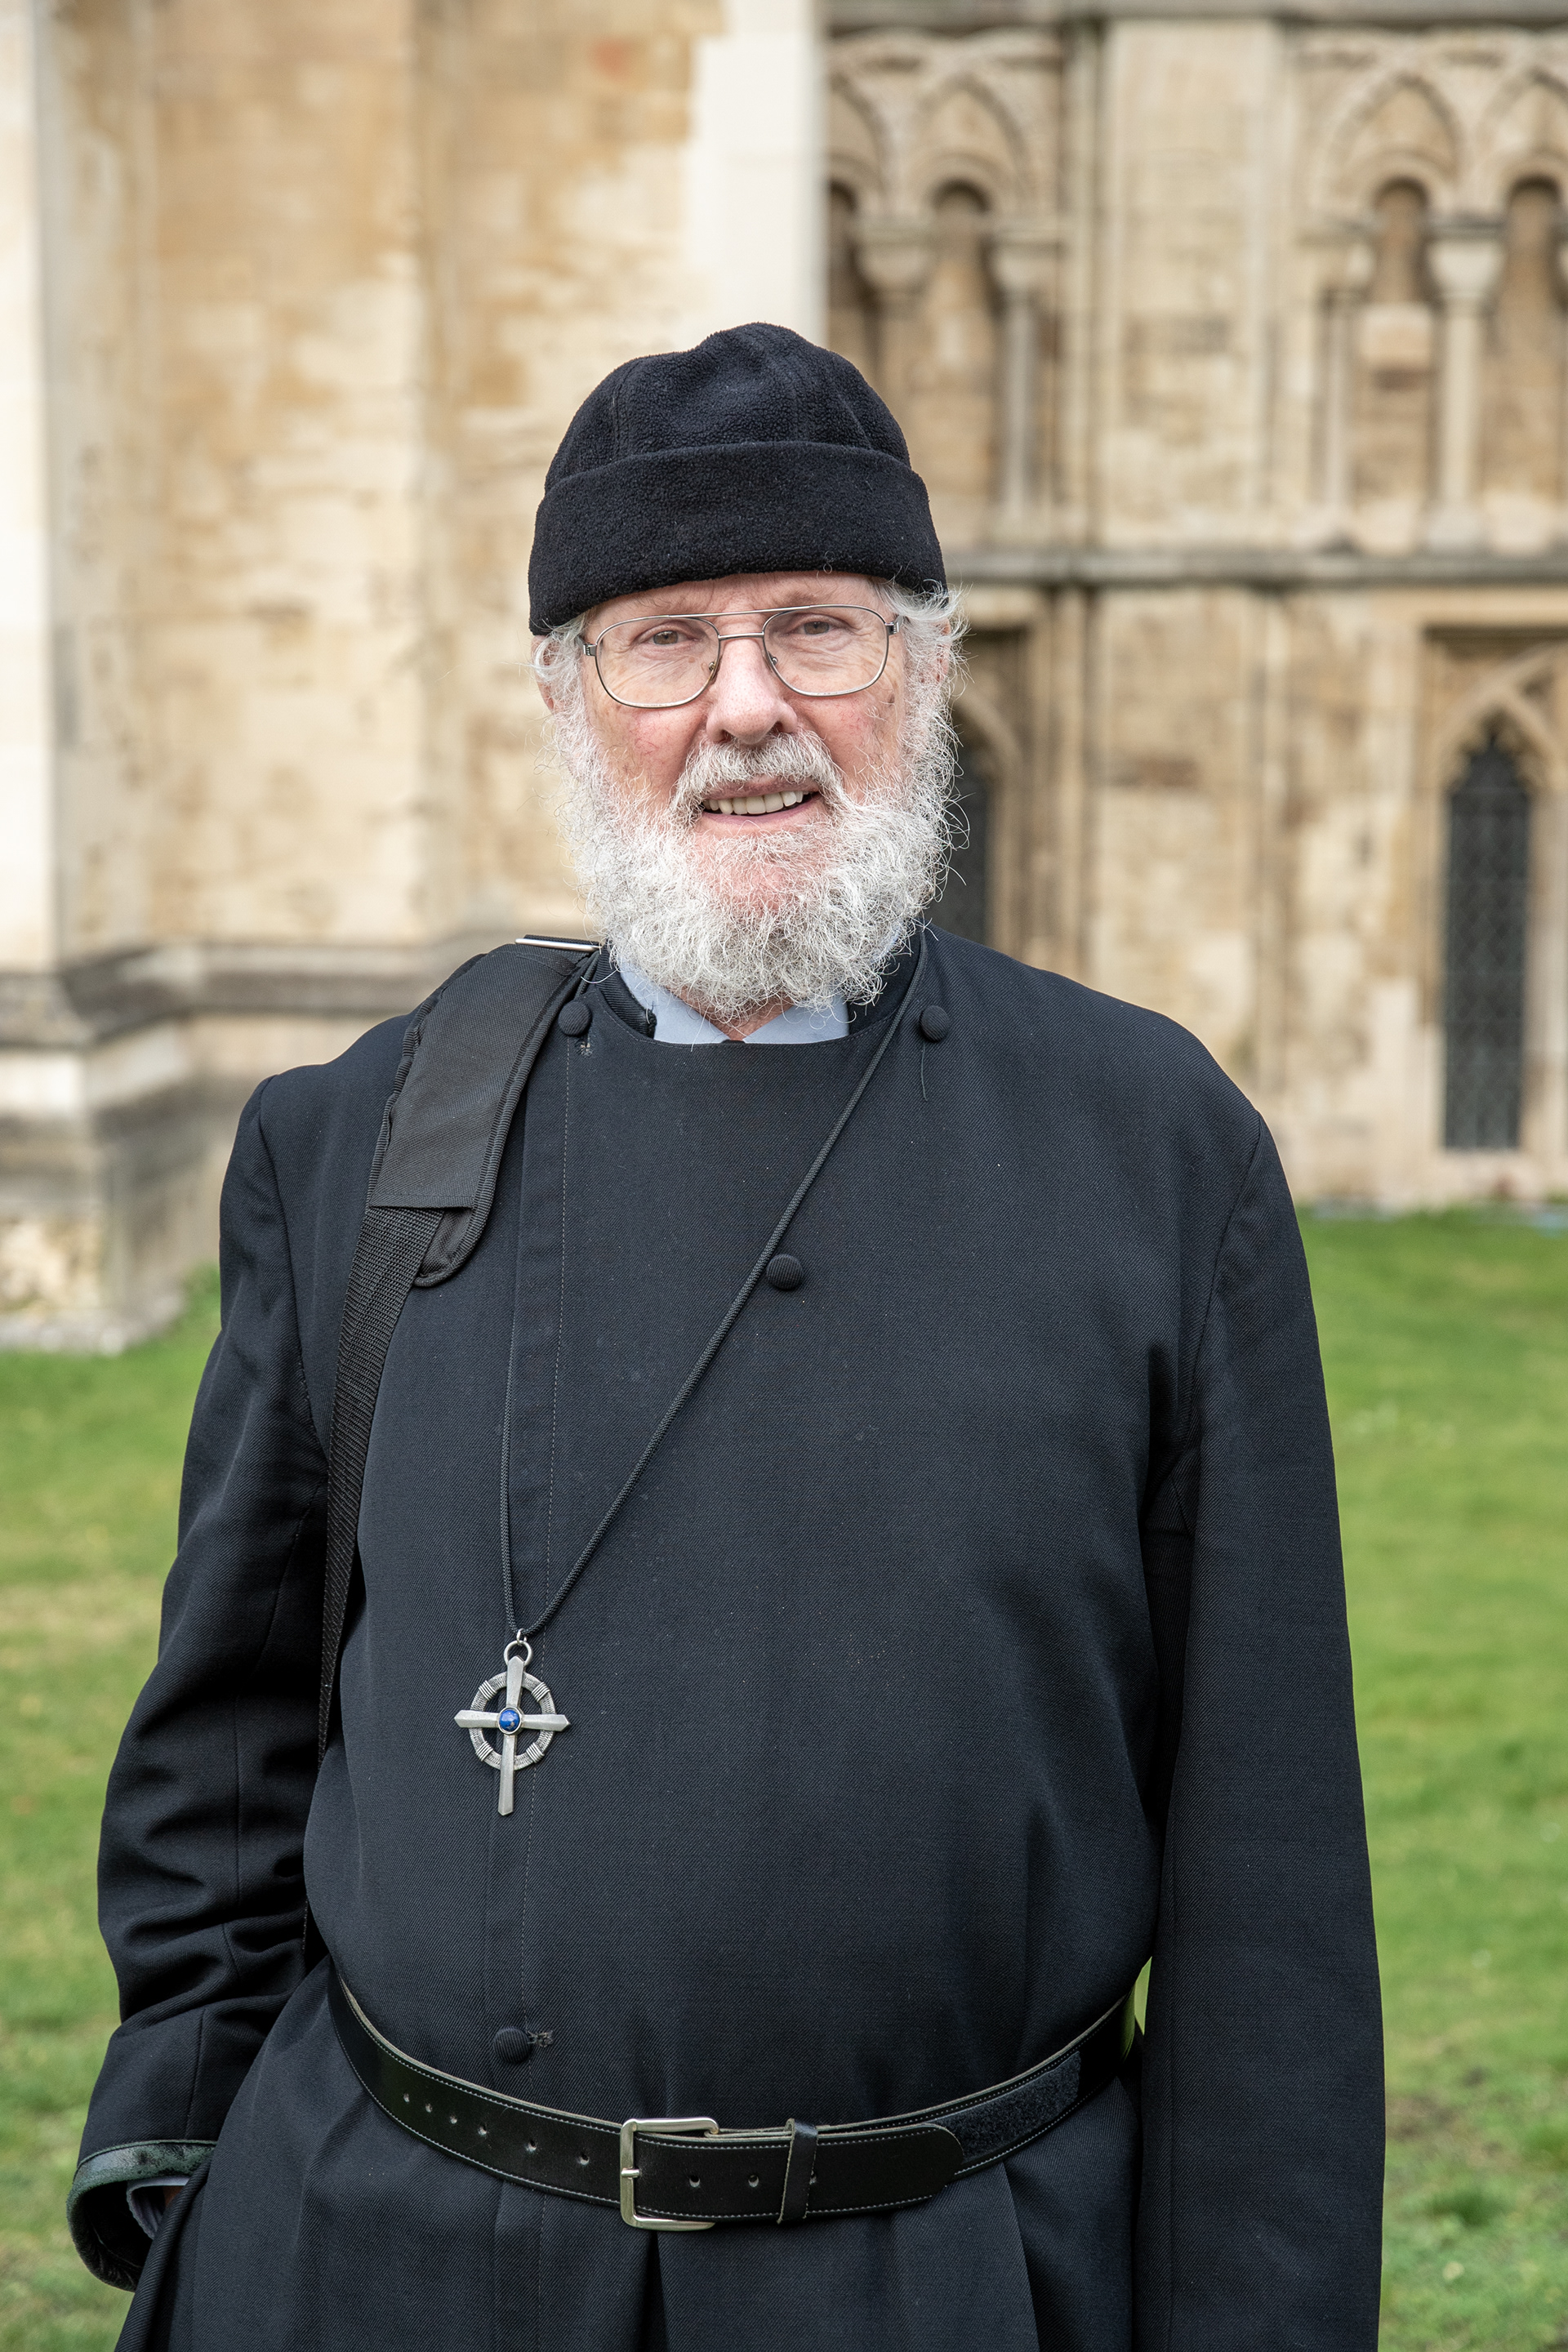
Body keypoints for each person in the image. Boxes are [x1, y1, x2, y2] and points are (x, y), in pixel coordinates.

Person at [70, 323, 1383, 2352]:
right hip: (384, 2264)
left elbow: (1270, 1887)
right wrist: (187, 2170)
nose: (745, 708)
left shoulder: (1155, 1151)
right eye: (662, 639)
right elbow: (222, 1768)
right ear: (567, 701)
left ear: (924, 669)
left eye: (817, 630)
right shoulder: (348, 1145)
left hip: (945, 2279)